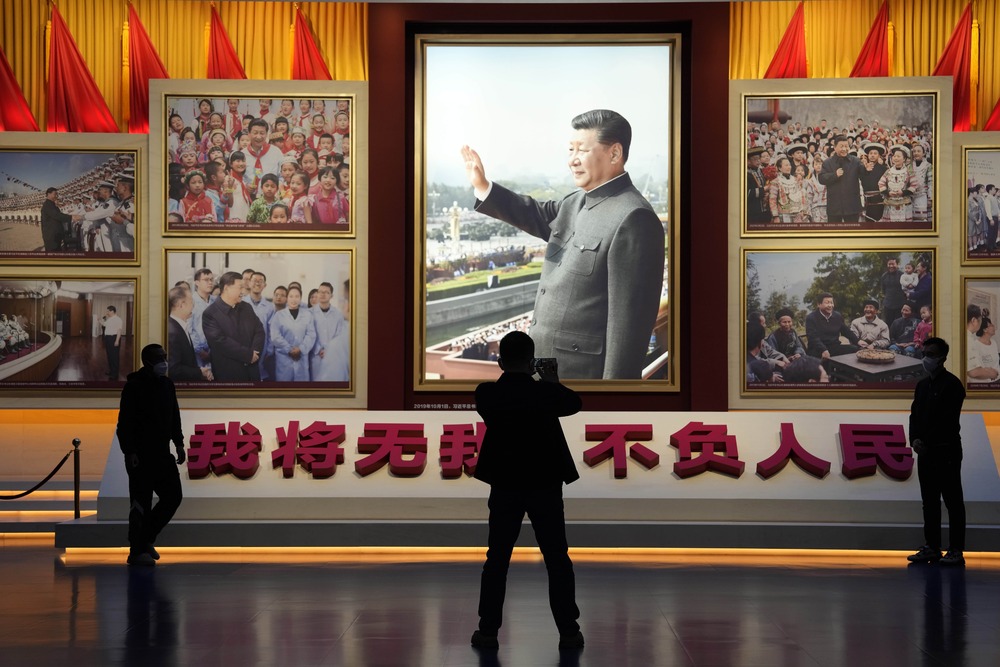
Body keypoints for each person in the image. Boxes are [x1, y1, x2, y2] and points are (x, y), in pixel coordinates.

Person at [462, 109, 664, 379]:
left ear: (615, 154)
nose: (573, 160)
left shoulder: (634, 217)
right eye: (570, 149)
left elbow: (628, 328)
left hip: (581, 381)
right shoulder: (575, 202)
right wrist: (484, 186)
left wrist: (615, 399)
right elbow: (533, 213)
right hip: (542, 372)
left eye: (582, 150)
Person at [471, 331, 584, 650]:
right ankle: (568, 631)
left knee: (497, 559)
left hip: (505, 484)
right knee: (557, 558)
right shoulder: (546, 394)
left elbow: (498, 403)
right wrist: (551, 380)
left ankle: (489, 630)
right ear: (531, 360)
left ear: (500, 361)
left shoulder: (488, 394)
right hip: (545, 484)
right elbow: (573, 404)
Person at [116, 343, 186, 566]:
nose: (163, 362)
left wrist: (179, 443)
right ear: (147, 361)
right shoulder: (134, 387)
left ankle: (146, 538)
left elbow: (174, 417)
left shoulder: (167, 385)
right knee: (140, 504)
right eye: (159, 358)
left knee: (173, 497)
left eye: (165, 356)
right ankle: (136, 551)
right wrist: (130, 451)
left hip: (162, 453)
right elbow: (124, 424)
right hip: (140, 456)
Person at [907, 337, 967, 566]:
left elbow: (947, 420)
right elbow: (915, 415)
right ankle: (932, 547)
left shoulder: (952, 385)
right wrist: (915, 439)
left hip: (946, 451)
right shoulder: (922, 385)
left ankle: (955, 550)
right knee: (929, 501)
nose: (926, 358)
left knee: (953, 501)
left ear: (942, 358)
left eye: (931, 354)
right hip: (925, 452)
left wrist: (927, 440)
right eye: (925, 353)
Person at [201, 271, 265, 382]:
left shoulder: (246, 307)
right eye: (240, 288)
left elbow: (259, 331)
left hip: (252, 371)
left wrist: (255, 353)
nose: (243, 292)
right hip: (228, 373)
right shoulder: (210, 314)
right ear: (226, 288)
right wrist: (248, 355)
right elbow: (220, 342)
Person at [270, 285, 315, 382]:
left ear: (300, 298)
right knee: (284, 391)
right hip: (283, 359)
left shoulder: (308, 315)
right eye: (291, 296)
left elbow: (311, 335)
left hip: (301, 359)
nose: (293, 299)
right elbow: (275, 336)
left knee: (301, 392)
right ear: (287, 298)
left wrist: (301, 349)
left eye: (296, 296)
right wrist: (289, 349)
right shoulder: (279, 315)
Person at [166, 286, 211, 382]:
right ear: (181, 305)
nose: (193, 306)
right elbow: (174, 369)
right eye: (191, 302)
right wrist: (199, 372)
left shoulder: (179, 326)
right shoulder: (173, 332)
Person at [309, 282, 349, 382]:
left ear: (331, 295)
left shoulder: (338, 314)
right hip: (315, 355)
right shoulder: (309, 313)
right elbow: (310, 334)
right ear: (317, 294)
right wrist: (319, 349)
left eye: (326, 292)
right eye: (320, 292)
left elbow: (339, 333)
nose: (322, 294)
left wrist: (328, 350)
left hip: (333, 355)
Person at [818, 135, 863, 222]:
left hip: (852, 205)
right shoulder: (827, 162)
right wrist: (834, 175)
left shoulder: (856, 161)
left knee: (852, 231)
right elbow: (821, 178)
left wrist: (867, 170)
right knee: (834, 232)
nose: (844, 149)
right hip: (835, 206)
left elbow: (864, 176)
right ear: (835, 147)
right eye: (841, 146)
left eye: (846, 146)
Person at [804, 293, 859, 358]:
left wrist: (858, 341)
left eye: (831, 303)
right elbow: (813, 338)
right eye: (827, 303)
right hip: (817, 349)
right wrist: (823, 350)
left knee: (855, 349)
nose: (830, 305)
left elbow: (846, 331)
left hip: (834, 347)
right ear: (819, 304)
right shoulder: (811, 318)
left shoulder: (837, 316)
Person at [966, 315, 999, 383]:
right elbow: (976, 370)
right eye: (991, 325)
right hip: (985, 382)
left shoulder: (994, 342)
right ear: (985, 329)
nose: (994, 327)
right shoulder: (975, 345)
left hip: (998, 379)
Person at [40, 187, 74, 251]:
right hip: (51, 235)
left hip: (54, 235)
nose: (56, 196)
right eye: (55, 194)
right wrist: (71, 217)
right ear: (49, 194)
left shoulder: (51, 204)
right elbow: (57, 215)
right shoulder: (48, 205)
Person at [879, 258, 906, 327]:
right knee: (888, 324)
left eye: (893, 264)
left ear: (897, 265)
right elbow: (883, 290)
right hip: (888, 305)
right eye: (889, 264)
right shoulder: (884, 276)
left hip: (900, 305)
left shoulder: (902, 275)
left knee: (900, 324)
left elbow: (906, 290)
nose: (891, 266)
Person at [746, 146, 769, 224]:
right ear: (748, 161)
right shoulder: (746, 174)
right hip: (753, 211)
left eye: (759, 158)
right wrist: (764, 189)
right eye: (755, 159)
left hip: (765, 210)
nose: (758, 161)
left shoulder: (762, 171)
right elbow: (746, 193)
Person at [103, 305, 124, 380]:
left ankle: (115, 374)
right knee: (109, 355)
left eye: (108, 311)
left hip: (114, 338)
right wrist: (100, 320)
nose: (107, 312)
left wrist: (117, 340)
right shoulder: (110, 319)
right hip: (108, 338)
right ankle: (111, 371)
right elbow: (105, 324)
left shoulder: (118, 319)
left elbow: (119, 330)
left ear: (112, 311)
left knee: (114, 357)